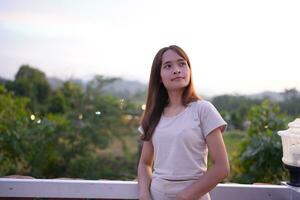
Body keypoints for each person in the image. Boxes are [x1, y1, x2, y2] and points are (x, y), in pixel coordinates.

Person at [137, 45, 230, 200]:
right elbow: (145, 163)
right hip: (157, 196)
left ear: (189, 70)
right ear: (159, 76)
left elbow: (222, 167)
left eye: (182, 64)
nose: (177, 70)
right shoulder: (153, 115)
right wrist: (144, 194)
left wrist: (184, 196)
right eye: (168, 66)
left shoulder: (203, 110)